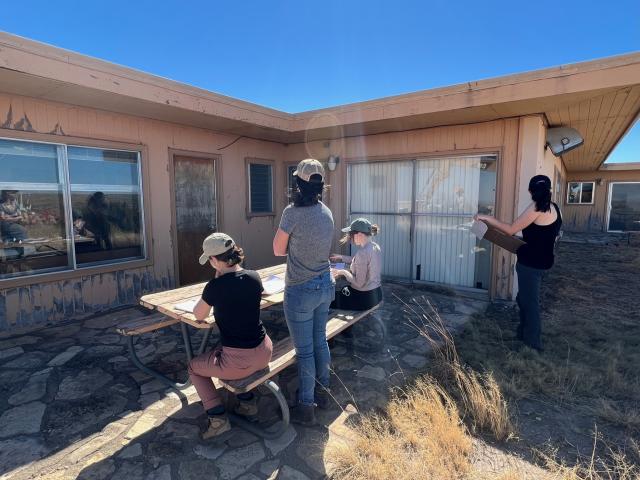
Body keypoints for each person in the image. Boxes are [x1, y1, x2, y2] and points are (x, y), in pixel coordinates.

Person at [188, 232, 273, 439]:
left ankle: (217, 418)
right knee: (222, 350)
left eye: (209, 259)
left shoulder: (215, 287)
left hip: (238, 361)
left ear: (215, 260)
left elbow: (199, 315)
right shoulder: (254, 276)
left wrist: (216, 280)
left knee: (194, 368)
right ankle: (247, 403)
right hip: (264, 351)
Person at [273, 158, 335, 425]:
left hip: (300, 288)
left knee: (305, 351)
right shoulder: (327, 212)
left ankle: (305, 406)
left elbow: (277, 250)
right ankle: (323, 394)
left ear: (298, 182)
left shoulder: (292, 212)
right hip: (325, 283)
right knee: (320, 341)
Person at [475, 175, 562, 352]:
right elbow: (547, 235)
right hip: (544, 261)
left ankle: (533, 345)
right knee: (524, 299)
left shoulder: (536, 207)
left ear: (531, 191)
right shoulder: (556, 209)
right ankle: (523, 333)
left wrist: (486, 217)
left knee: (530, 303)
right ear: (549, 189)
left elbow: (510, 229)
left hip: (530, 263)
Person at [330, 218, 383, 311]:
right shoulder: (374, 246)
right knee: (342, 291)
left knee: (330, 299)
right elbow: (359, 261)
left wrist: (342, 272)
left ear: (359, 234)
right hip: (376, 294)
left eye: (351, 235)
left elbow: (359, 283)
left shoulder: (362, 253)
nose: (350, 238)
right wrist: (341, 257)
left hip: (364, 299)